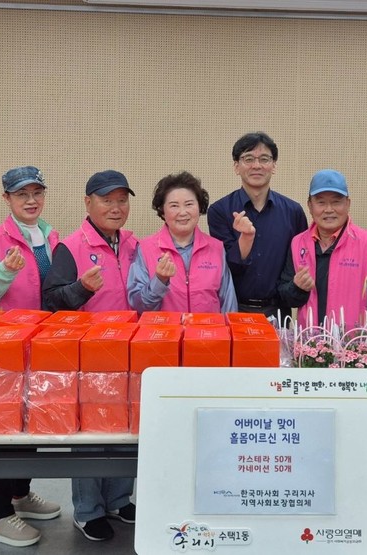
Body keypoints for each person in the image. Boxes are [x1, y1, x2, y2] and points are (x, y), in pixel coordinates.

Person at [40, 170, 138, 542]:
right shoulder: (71, 246)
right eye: (106, 200)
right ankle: (88, 510)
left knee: (126, 431)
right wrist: (81, 289)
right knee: (91, 434)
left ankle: (118, 499)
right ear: (88, 203)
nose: (115, 207)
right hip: (90, 356)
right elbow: (50, 299)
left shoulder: (132, 244)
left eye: (122, 200)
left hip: (130, 351)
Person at [0, 165, 61, 547]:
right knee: (2, 426)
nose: (31, 200)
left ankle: (20, 496)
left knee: (32, 422)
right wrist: (5, 273)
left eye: (36, 193)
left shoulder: (53, 237)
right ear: (6, 198)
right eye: (21, 194)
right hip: (4, 349)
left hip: (43, 345)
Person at [277, 169, 367, 330]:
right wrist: (296, 288)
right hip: (309, 346)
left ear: (348, 204)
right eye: (321, 202)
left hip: (355, 347)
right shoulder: (298, 243)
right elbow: (286, 297)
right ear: (310, 206)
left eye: (336, 202)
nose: (328, 209)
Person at [207, 132, 307, 318]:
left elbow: (298, 264)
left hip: (278, 311)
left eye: (264, 159)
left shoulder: (293, 212)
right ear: (236, 166)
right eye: (248, 159)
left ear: (274, 166)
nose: (257, 165)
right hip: (234, 308)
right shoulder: (219, 211)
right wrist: (245, 238)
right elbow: (228, 266)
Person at [128, 171, 237, 313]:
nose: (183, 212)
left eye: (189, 204)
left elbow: (228, 304)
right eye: (174, 206)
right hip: (164, 334)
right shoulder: (145, 248)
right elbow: (138, 305)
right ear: (162, 211)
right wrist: (159, 281)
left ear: (200, 208)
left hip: (208, 333)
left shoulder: (216, 247)